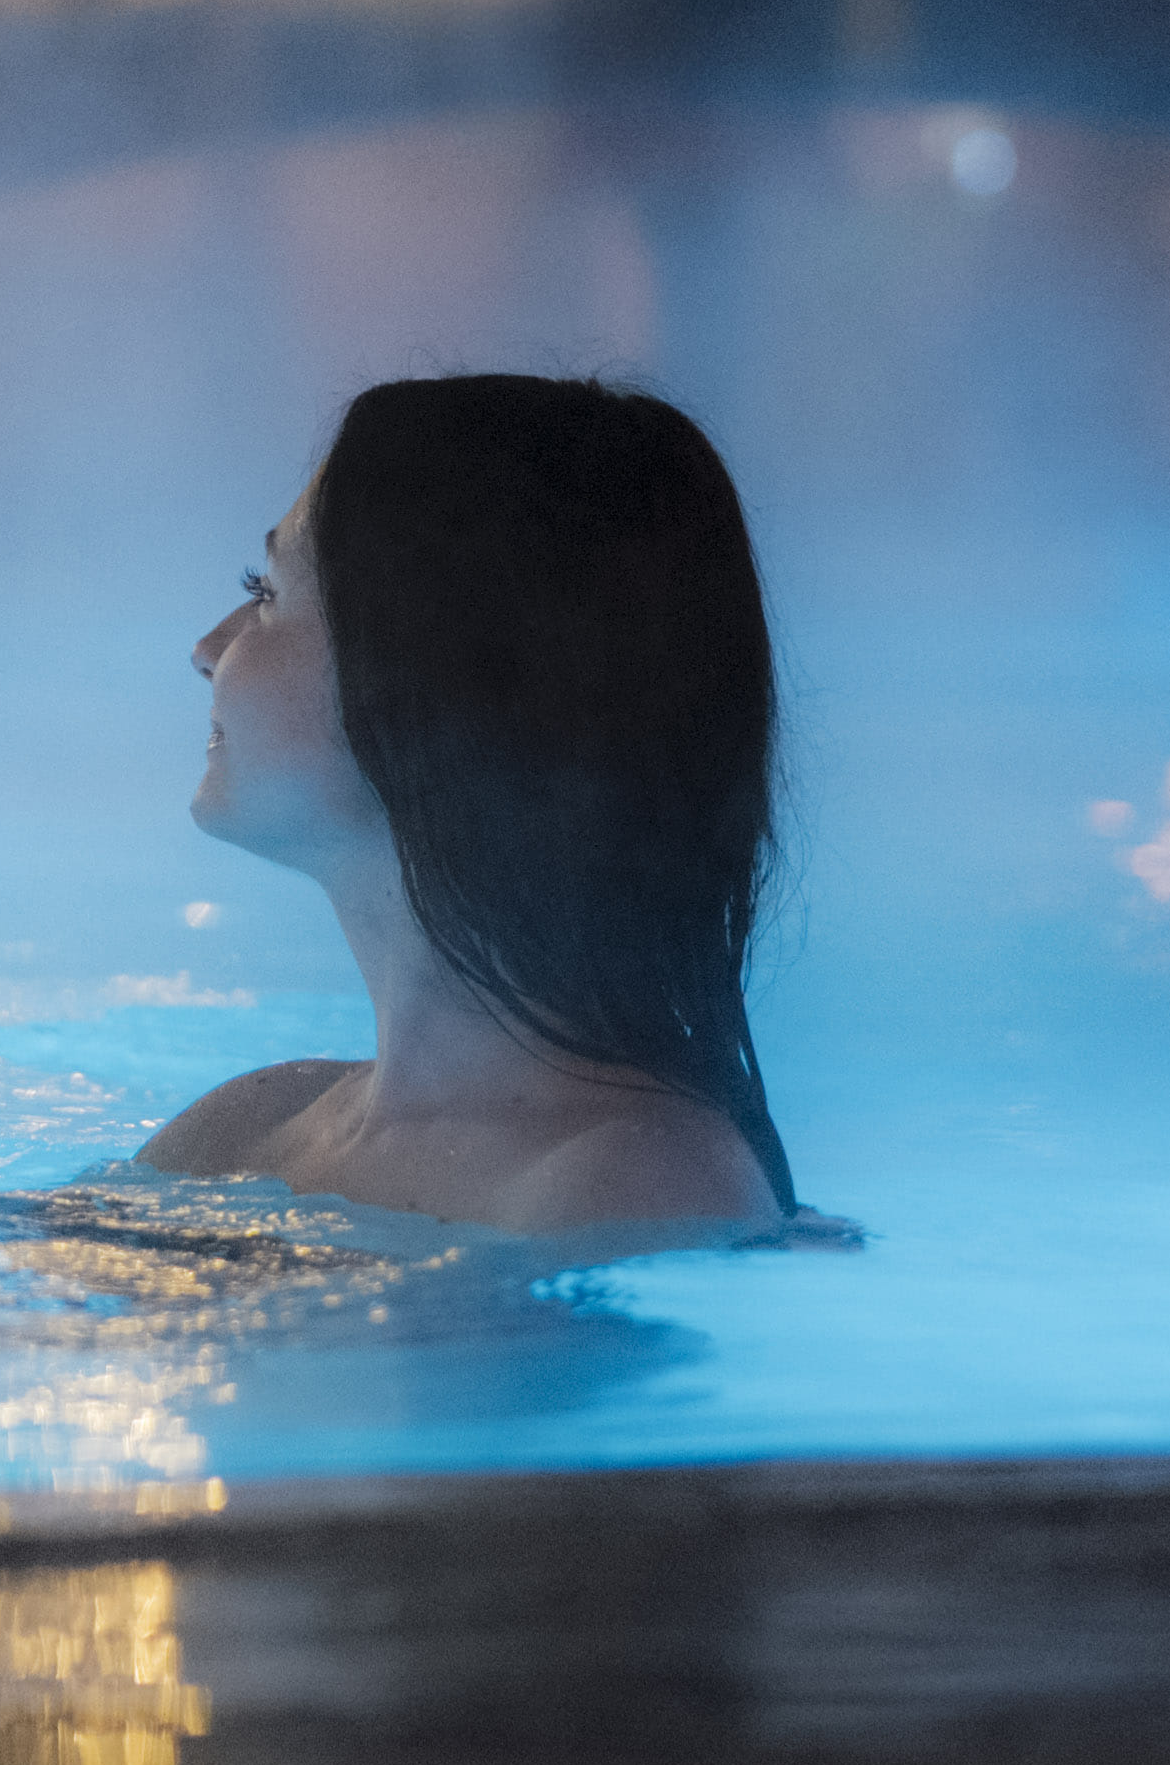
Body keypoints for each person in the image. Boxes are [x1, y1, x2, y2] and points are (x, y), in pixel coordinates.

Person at [132, 373, 795, 1237]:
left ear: (440, 677)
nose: (207, 647)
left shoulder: (641, 1182)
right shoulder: (243, 1128)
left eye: (267, 594)